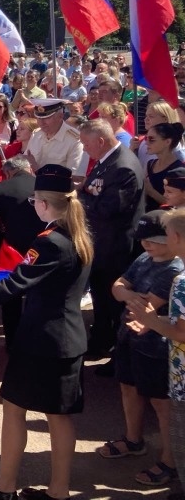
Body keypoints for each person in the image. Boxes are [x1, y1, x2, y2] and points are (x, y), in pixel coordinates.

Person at [0, 164, 94, 500]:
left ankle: (5, 487)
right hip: (67, 338)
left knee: (14, 407)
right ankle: (58, 492)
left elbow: (14, 285)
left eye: (35, 201)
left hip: (41, 340)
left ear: (45, 204)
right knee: (59, 417)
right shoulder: (79, 236)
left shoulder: (50, 243)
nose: (33, 205)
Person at [97, 211, 183, 489]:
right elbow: (117, 287)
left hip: (157, 346)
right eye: (144, 239)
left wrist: (128, 295)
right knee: (128, 387)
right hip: (130, 336)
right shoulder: (144, 258)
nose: (147, 244)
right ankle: (133, 440)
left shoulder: (174, 270)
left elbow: (146, 307)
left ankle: (170, 461)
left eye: (155, 239)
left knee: (162, 404)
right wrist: (130, 294)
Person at [125, 207, 185, 500]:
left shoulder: (181, 280)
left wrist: (149, 319)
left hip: (181, 370)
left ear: (177, 238)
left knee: (179, 429)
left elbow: (181, 332)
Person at [80, 119, 146, 362]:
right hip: (101, 244)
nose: (84, 148)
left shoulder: (123, 167)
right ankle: (101, 339)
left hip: (115, 248)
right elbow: (91, 189)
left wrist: (78, 201)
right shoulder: (106, 160)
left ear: (100, 141)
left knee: (115, 302)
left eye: (86, 143)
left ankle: (118, 355)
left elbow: (108, 208)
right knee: (101, 296)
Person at [0, 156, 46, 348]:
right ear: (29, 168)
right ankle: (38, 339)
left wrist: (0, 241)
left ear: (8, 173)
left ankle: (13, 343)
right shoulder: (43, 185)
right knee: (40, 294)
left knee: (11, 294)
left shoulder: (0, 188)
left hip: (12, 249)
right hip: (43, 246)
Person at [25, 99, 83, 174]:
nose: (41, 123)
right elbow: (25, 160)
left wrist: (36, 170)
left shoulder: (75, 140)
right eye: (39, 118)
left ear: (61, 116)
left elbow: (74, 177)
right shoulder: (36, 134)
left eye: (47, 118)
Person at [144, 122, 185, 212]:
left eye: (151, 139)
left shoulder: (179, 170)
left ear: (167, 142)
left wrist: (151, 191)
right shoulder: (150, 164)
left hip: (166, 218)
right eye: (146, 138)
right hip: (148, 216)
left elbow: (176, 204)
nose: (146, 143)